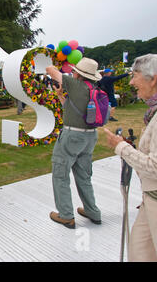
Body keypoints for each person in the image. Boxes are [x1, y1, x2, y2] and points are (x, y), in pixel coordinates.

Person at [103, 54, 157, 262]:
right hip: (150, 198)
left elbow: (156, 166)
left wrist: (123, 148)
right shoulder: (153, 110)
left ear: (153, 79)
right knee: (139, 250)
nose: (131, 82)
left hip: (156, 198)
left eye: (135, 76)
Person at [45, 58, 103, 229]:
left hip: (72, 137)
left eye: (74, 71)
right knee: (84, 175)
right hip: (90, 137)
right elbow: (73, 110)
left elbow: (50, 69)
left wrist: (53, 64)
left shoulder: (76, 85)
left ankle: (66, 215)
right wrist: (60, 95)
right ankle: (92, 211)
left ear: (79, 74)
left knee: (60, 174)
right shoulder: (92, 89)